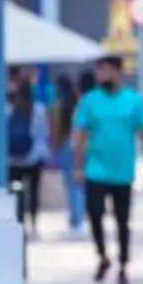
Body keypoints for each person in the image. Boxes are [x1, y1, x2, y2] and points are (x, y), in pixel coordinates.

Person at [73, 55, 143, 284]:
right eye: (100, 71)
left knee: (122, 220)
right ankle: (102, 255)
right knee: (95, 213)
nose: (102, 75)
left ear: (118, 72)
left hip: (123, 171)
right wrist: (77, 166)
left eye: (106, 70)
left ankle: (124, 264)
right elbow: (80, 135)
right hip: (95, 170)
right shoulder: (90, 101)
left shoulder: (134, 101)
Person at [5, 79, 52, 237]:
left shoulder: (8, 109)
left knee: (14, 193)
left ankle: (18, 221)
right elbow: (44, 133)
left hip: (12, 159)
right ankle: (33, 222)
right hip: (34, 157)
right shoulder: (39, 109)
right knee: (33, 191)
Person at [53, 73, 86, 232]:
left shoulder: (58, 106)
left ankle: (76, 218)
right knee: (79, 183)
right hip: (80, 146)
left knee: (71, 185)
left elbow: (55, 131)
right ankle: (79, 216)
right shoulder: (78, 104)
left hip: (66, 147)